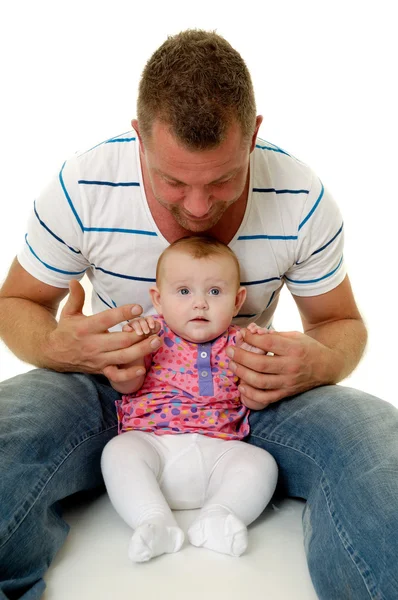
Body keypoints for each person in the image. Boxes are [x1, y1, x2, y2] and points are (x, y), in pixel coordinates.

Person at [0, 27, 396, 600]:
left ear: (254, 136)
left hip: (249, 393)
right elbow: (17, 303)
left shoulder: (302, 197)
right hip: (106, 381)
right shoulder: (84, 186)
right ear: (139, 138)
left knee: (380, 449)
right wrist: (64, 348)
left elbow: (342, 324)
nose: (198, 207)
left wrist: (318, 360)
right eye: (172, 182)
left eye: (222, 180)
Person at [101, 236, 278, 562]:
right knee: (118, 452)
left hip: (220, 451)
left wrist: (260, 367)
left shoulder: (242, 343)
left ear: (238, 301)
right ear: (159, 298)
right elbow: (127, 386)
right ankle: (153, 519)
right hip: (153, 444)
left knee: (260, 463)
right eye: (184, 291)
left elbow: (254, 401)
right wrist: (129, 354)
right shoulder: (150, 335)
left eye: (214, 292)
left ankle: (219, 515)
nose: (200, 303)